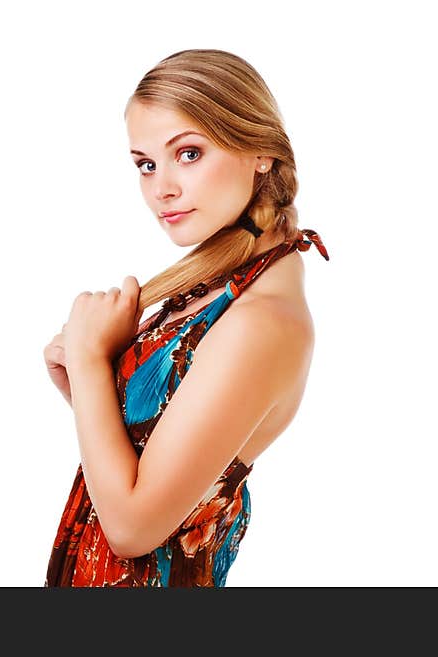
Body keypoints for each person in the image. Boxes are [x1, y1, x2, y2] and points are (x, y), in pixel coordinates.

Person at [42, 49, 330, 587]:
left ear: (260, 151)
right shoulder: (217, 288)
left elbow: (132, 529)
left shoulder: (260, 322)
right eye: (146, 163)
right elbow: (157, 460)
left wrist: (87, 360)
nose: (161, 187)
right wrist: (89, 382)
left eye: (189, 153)